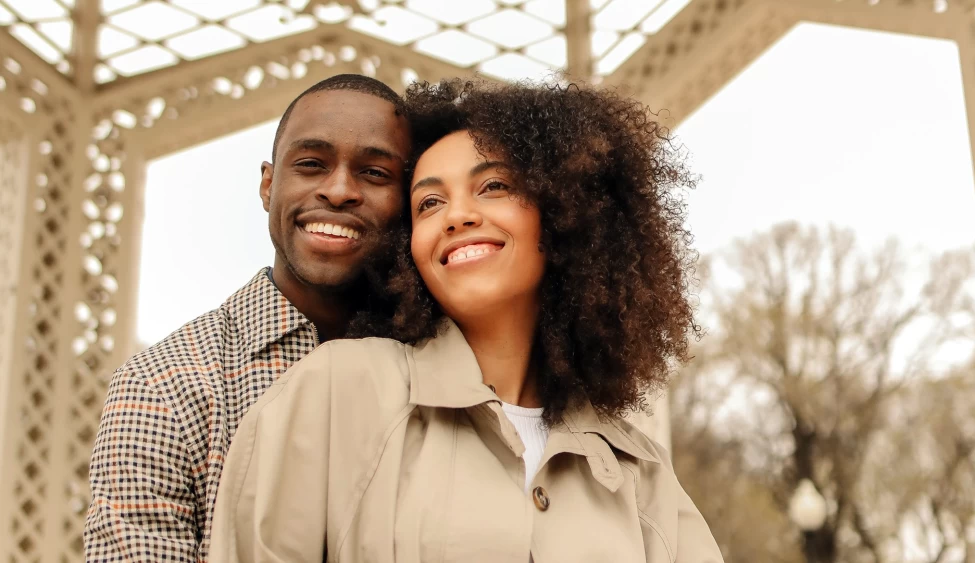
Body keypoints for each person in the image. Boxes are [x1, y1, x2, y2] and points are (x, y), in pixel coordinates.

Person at [207, 79, 723, 562]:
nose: (457, 215)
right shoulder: (338, 389)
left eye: (494, 186)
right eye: (429, 202)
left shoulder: (638, 468)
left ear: (566, 210)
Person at [83, 74, 412, 562]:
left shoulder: (453, 365)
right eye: (311, 164)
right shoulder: (163, 388)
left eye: (376, 173)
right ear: (268, 183)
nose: (340, 190)